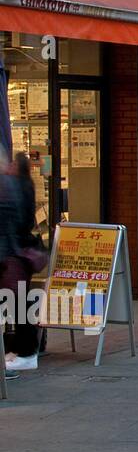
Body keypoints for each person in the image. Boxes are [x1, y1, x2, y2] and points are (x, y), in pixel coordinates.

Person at [2, 153, 43, 374]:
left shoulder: (15, 189)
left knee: (17, 305)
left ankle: (25, 352)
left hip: (14, 256)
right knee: (17, 305)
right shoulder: (22, 186)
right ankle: (20, 350)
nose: (9, 166)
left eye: (13, 164)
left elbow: (12, 226)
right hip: (17, 256)